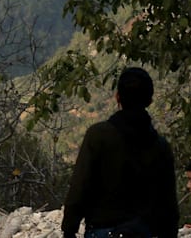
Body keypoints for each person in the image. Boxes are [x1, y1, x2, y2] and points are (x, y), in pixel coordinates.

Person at [61, 67, 178, 238]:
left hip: (102, 230)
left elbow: (80, 185)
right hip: (143, 232)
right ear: (150, 100)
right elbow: (168, 204)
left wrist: (69, 228)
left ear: (118, 97)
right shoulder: (161, 146)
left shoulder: (98, 135)